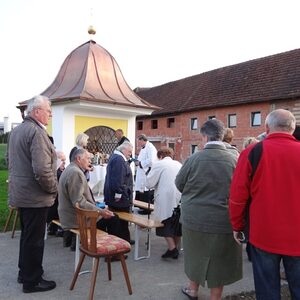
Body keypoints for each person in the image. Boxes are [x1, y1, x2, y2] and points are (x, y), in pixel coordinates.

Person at [229, 109, 300, 300]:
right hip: (297, 236)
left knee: (267, 291)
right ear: (292, 128)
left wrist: (237, 226)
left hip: (264, 235)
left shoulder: (253, 152)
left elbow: (237, 196)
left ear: (267, 127)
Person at [175, 119, 242, 300]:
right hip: (223, 220)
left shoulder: (194, 158)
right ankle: (215, 297)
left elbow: (179, 184)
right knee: (219, 262)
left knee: (194, 255)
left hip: (194, 218)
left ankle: (193, 290)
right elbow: (242, 190)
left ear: (204, 137)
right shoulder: (235, 159)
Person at [7, 95, 58, 293]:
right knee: (35, 240)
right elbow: (42, 170)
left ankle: (25, 273)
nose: (50, 114)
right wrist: (54, 188)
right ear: (36, 112)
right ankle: (32, 280)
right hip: (35, 197)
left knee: (27, 237)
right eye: (48, 111)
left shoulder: (17, 131)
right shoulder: (36, 132)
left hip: (22, 194)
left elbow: (9, 159)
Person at [58, 149, 113, 232]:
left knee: (107, 215)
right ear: (79, 159)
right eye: (88, 158)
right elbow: (78, 201)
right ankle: (110, 244)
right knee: (114, 219)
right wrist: (100, 211)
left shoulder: (70, 168)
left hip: (70, 214)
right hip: (75, 219)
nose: (90, 161)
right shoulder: (75, 172)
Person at [146, 147, 182, 259]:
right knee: (176, 224)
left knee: (165, 222)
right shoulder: (178, 164)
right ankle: (174, 248)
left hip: (165, 198)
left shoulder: (159, 164)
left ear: (160, 156)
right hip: (179, 196)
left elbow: (149, 183)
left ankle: (172, 249)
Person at [100, 141, 134, 243]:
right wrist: (122, 196)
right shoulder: (119, 160)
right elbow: (118, 182)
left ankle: (125, 240)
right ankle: (121, 243)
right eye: (129, 151)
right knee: (118, 223)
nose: (130, 154)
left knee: (120, 222)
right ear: (123, 150)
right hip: (119, 199)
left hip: (116, 197)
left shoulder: (116, 157)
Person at [134, 134, 157, 214]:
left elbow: (151, 160)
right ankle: (142, 207)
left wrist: (140, 163)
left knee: (146, 190)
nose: (138, 143)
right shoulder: (144, 147)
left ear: (143, 140)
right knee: (140, 190)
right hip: (141, 172)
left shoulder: (150, 147)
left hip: (146, 172)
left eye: (139, 141)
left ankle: (147, 210)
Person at [47, 150, 66, 236]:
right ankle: (61, 228)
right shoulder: (55, 172)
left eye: (65, 160)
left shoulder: (60, 171)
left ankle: (53, 228)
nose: (64, 163)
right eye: (62, 160)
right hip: (52, 205)